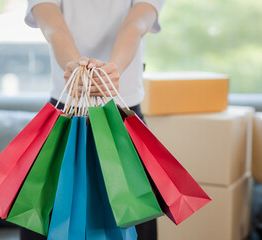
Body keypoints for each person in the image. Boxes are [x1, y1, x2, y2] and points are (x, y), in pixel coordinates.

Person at [21, 0, 165, 239]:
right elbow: (54, 27)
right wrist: (78, 68)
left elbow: (136, 25)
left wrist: (110, 70)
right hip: (66, 111)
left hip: (122, 112)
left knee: (136, 221)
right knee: (43, 222)